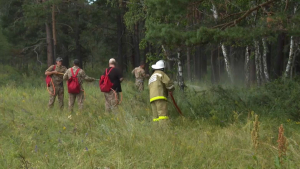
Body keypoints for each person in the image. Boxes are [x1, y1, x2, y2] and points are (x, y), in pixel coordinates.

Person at [148, 60, 175, 125]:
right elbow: (168, 83)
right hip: (160, 97)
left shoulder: (152, 76)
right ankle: (164, 131)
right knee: (163, 115)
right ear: (162, 68)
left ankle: (156, 131)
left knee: (156, 117)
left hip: (152, 98)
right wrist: (172, 89)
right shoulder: (161, 73)